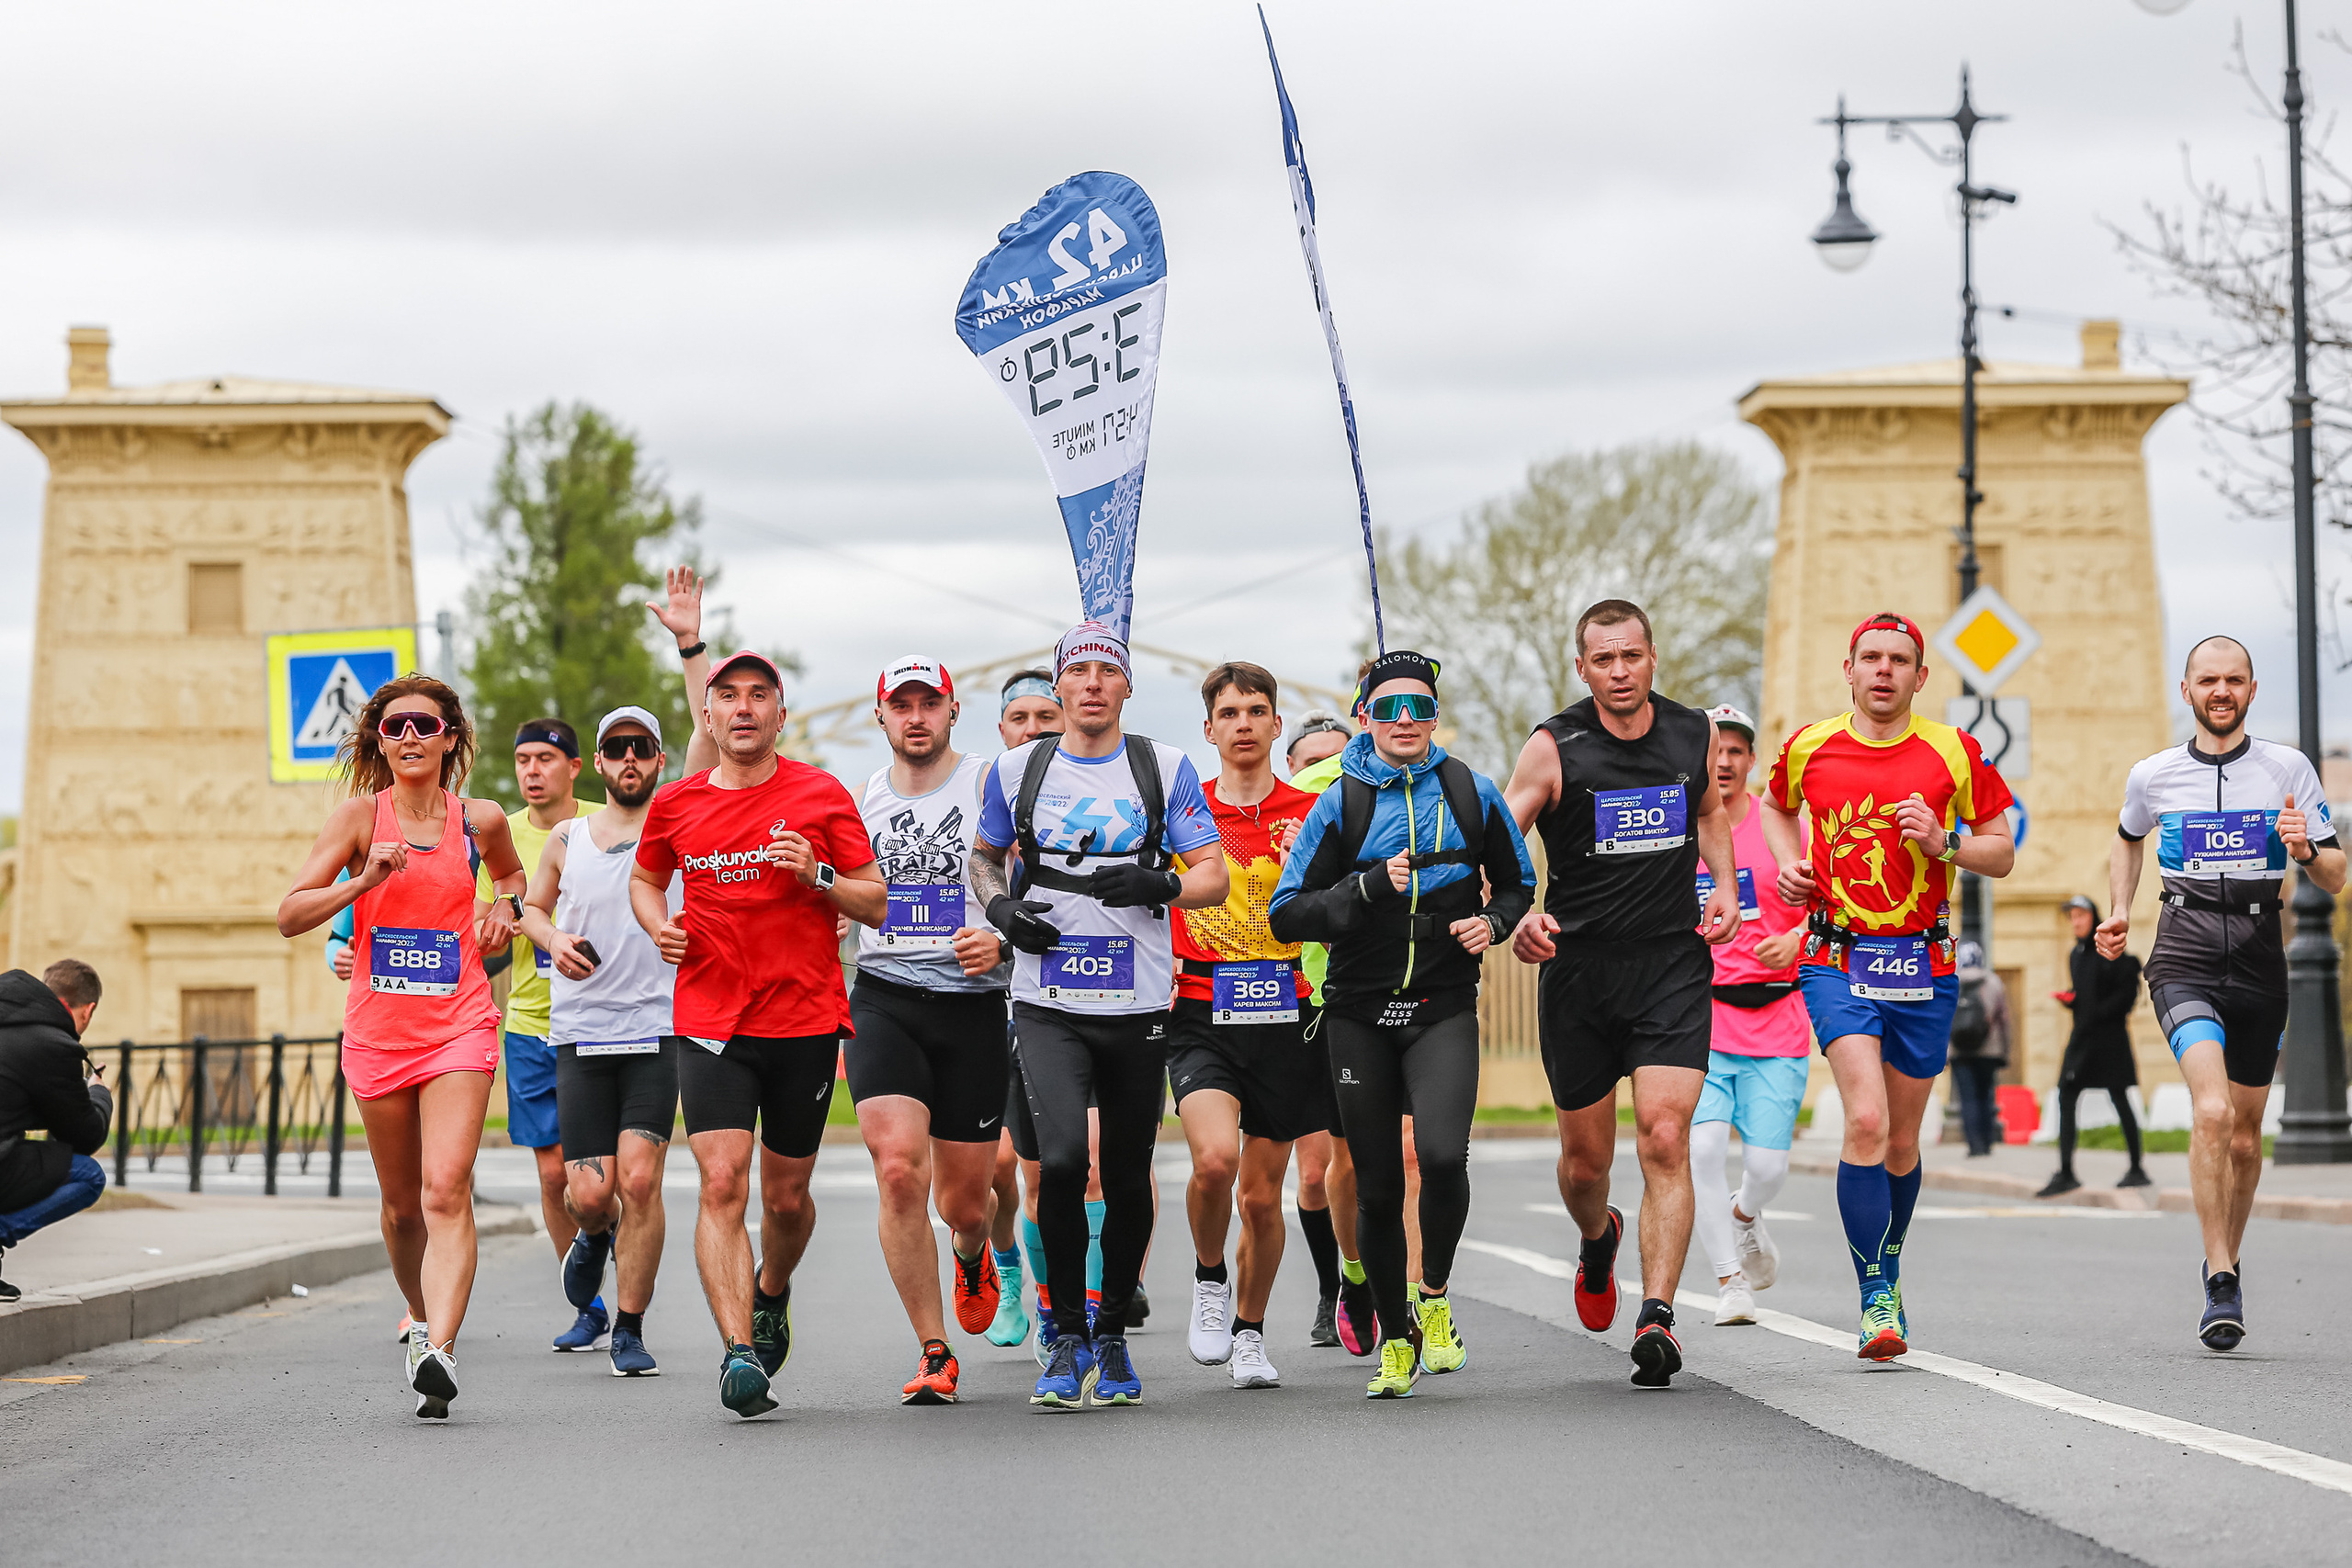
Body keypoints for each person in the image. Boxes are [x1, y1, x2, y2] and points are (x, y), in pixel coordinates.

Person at [970, 622, 1229, 1411]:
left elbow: (1213, 877)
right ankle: (1066, 1334)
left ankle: (1111, 1333)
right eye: (1075, 671)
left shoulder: (1166, 766)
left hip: (1138, 999)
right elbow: (981, 858)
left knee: (1122, 1170)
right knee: (1056, 1160)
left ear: (1124, 687)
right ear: (1060, 688)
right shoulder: (1017, 768)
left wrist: (1163, 888)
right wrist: (1005, 910)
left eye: (1104, 670)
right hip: (1048, 997)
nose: (1089, 683)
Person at [1271, 649, 1536, 1400]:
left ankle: (1435, 1297)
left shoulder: (1470, 790)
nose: (1404, 720)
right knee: (1379, 1187)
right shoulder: (1342, 803)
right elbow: (1288, 911)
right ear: (1365, 717)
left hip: (1442, 1006)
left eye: (1417, 706)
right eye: (1387, 708)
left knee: (1445, 1157)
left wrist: (1493, 921)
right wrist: (1361, 888)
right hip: (1358, 1011)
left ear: (1434, 714)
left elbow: (1518, 881)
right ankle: (1394, 1336)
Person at [631, 649, 885, 1417]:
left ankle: (772, 1287)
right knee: (721, 1181)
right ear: (707, 718)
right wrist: (658, 927)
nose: (743, 709)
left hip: (802, 1019)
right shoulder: (675, 803)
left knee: (785, 1197)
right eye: (728, 698)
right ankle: (739, 1352)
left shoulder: (820, 793)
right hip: (708, 1019)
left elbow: (875, 902)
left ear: (780, 715)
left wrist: (817, 875)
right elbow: (645, 878)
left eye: (759, 696)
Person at [1761, 612, 2015, 1362]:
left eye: (1898, 660)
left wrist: (1947, 843)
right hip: (1837, 956)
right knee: (1865, 1120)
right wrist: (1789, 863)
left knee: (1902, 1139)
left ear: (1919, 676)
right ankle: (1875, 1292)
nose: (1882, 670)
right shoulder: (1810, 745)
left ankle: (1889, 1268)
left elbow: (2002, 851)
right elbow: (1775, 805)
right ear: (1849, 669)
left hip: (1925, 965)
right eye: (1869, 657)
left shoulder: (1954, 751)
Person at [1500, 602, 1738, 1387]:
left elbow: (1709, 809)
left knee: (1666, 1138)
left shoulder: (1692, 732)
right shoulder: (1553, 745)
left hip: (1669, 964)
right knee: (1584, 1165)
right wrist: (1519, 919)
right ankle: (1596, 1238)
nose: (1620, 671)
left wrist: (1725, 885)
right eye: (1604, 659)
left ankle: (1659, 1316)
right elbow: (1500, 845)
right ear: (1583, 668)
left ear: (1652, 654)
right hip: (1580, 973)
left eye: (1631, 655)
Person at [278, 674, 526, 1418]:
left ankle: (441, 1349)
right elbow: (291, 913)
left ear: (450, 737)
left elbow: (513, 880)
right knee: (401, 1209)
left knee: (445, 1187)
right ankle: (419, 1316)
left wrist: (505, 911)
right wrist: (363, 883)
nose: (410, 736)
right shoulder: (359, 818)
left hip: (459, 1022)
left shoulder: (479, 820)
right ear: (378, 742)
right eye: (395, 728)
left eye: (425, 724)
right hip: (381, 1035)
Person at [2099, 635, 2338, 1350]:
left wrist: (2303, 850)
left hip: (2263, 954)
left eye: (2234, 679)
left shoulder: (2287, 769)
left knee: (2242, 1132)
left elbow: (2336, 874)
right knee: (2210, 1108)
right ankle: (2223, 1277)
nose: (2222, 690)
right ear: (2188, 690)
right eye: (2209, 679)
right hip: (2186, 948)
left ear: (2252, 690)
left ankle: (2221, 1256)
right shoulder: (2155, 774)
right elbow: (2127, 835)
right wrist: (2121, 907)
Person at [847, 655, 1013, 1404]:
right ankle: (934, 1347)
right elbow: (845, 896)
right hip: (885, 995)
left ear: (953, 710)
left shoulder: (990, 783)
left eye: (929, 703)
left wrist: (1004, 941)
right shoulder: (863, 800)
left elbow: (1038, 875)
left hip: (974, 1002)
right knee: (895, 1168)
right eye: (901, 704)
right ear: (880, 715)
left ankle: (973, 1252)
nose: (916, 716)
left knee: (965, 1205)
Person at [1170, 662, 1325, 1389]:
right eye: (1227, 712)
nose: (1241, 724)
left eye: (1255, 710)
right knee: (1213, 1162)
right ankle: (1208, 1278)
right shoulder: (1184, 812)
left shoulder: (1311, 810)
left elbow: (1342, 907)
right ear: (1209, 729)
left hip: (1286, 1012)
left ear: (1275, 725)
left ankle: (1251, 1332)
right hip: (1201, 1009)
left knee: (1263, 1197)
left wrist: (1313, 876)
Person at [519, 705, 683, 1379]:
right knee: (588, 1191)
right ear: (602, 760)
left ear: (658, 760)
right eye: (616, 748)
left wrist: (690, 649)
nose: (629, 759)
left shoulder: (677, 831)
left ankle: (630, 1326)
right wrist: (553, 939)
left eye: (641, 747)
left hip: (655, 1028)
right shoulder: (567, 836)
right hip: (582, 1033)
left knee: (639, 1181)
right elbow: (529, 908)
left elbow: (708, 736)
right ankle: (592, 1233)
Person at [1680, 705, 1810, 1328]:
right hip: (1702, 1015)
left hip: (1778, 1011)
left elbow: (1833, 901)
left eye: (1736, 750)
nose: (1725, 761)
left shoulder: (1780, 826)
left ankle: (1745, 1212)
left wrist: (1800, 939)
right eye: (1715, 751)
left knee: (1767, 1167)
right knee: (1702, 1148)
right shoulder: (1680, 830)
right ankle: (1730, 1281)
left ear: (1751, 760)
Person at [481, 717, 604, 1348]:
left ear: (575, 767)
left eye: (545, 759)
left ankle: (619, 1270)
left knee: (611, 1178)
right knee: (555, 1175)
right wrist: (492, 932)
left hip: (606, 1020)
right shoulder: (500, 836)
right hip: (531, 1023)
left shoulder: (603, 822)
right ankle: (586, 1303)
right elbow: (484, 933)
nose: (532, 770)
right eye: (523, 759)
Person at [1284, 706, 1382, 1356]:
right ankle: (1338, 1286)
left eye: (1334, 755)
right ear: (1293, 770)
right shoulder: (1287, 818)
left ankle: (1401, 1289)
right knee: (1317, 1175)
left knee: (1393, 1159)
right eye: (1312, 760)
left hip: (1370, 996)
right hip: (1296, 1002)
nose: (1324, 768)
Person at [0, 960, 114, 1302]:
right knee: (89, 1176)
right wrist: (97, 1093)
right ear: (87, 1011)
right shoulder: (54, 1045)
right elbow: (84, 1136)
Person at [2041, 898, 2147, 1197]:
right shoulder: (2075, 954)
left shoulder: (2112, 952)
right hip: (2082, 1038)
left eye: (2081, 916)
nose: (2076, 922)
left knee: (2120, 1099)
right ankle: (2066, 1171)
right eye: (2072, 917)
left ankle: (2137, 1168)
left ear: (2094, 918)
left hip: (2110, 1040)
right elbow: (2084, 993)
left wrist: (2092, 1010)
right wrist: (2072, 1000)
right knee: (2066, 1096)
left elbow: (2124, 995)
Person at [1949, 942, 2013, 1157]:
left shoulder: (1952, 982)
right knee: (1985, 1095)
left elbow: (1944, 1018)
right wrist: (2004, 1050)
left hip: (1959, 1050)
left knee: (1968, 1098)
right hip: (1989, 1050)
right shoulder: (1993, 982)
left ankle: (1974, 1145)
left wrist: (1945, 1051)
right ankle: (1987, 1144)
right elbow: (2003, 1019)